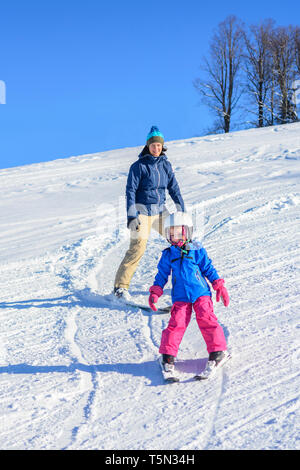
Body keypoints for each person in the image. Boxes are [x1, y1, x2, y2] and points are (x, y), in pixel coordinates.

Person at [148, 212, 230, 379]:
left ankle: (218, 351)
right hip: (180, 296)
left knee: (206, 319)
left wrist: (219, 285)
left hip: (201, 293)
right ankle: (167, 356)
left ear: (187, 232)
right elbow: (162, 275)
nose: (174, 236)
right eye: (170, 233)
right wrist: (156, 291)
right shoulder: (168, 254)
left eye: (178, 232)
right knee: (176, 324)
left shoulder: (197, 249)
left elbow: (208, 268)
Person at [114, 126, 185, 300]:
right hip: (142, 212)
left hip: (160, 210)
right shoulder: (138, 167)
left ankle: (185, 281)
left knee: (181, 241)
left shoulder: (166, 165)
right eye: (153, 145)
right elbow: (130, 191)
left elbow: (173, 188)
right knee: (138, 248)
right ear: (148, 146)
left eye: (159, 146)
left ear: (162, 146)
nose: (156, 148)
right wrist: (132, 215)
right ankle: (120, 288)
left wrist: (181, 209)